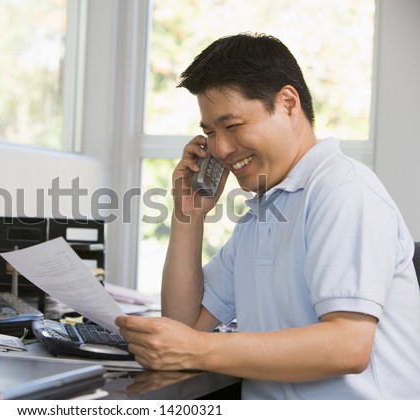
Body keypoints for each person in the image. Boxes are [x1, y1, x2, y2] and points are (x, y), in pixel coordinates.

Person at [115, 33, 420, 399]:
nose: (221, 149)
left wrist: (198, 349)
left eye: (233, 126)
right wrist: (188, 216)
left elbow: (348, 346)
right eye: (210, 133)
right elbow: (184, 324)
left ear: (288, 104)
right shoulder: (264, 212)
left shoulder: (343, 190)